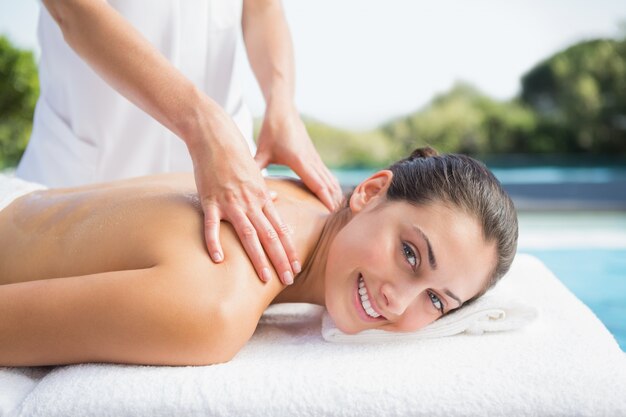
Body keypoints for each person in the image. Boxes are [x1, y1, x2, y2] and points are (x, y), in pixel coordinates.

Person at [0, 147, 518, 367]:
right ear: (370, 191)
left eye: (436, 300)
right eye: (409, 253)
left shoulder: (311, 199)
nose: (399, 303)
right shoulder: (214, 307)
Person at [15, 0, 343, 286]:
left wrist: (282, 104)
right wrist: (201, 123)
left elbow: (264, 6)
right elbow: (72, 8)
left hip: (230, 162)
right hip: (90, 162)